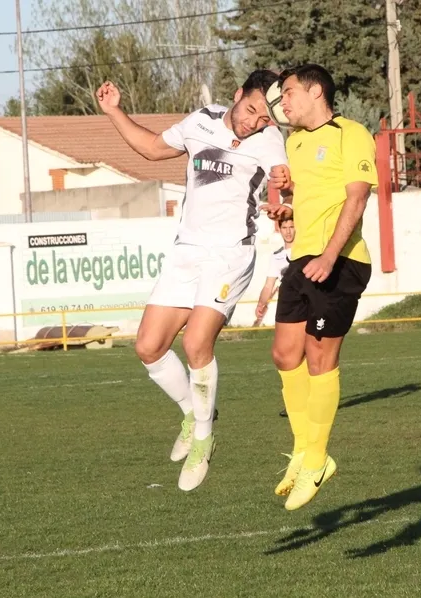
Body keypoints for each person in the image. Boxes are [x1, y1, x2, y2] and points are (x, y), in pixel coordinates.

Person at [96, 70, 288, 492]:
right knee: (148, 347)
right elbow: (150, 148)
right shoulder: (200, 120)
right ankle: (193, 412)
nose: (254, 121)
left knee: (196, 344)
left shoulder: (270, 139)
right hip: (187, 251)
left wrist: (284, 198)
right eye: (251, 109)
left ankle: (203, 438)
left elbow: (282, 179)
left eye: (262, 118)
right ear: (237, 95)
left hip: (229, 255)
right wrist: (114, 111)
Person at [260, 64, 376, 511]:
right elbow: (300, 204)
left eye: (288, 93)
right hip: (301, 260)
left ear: (315, 92)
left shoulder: (351, 133)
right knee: (284, 354)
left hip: (341, 260)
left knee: (319, 358)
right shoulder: (296, 142)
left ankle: (316, 457)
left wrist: (330, 254)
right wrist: (286, 214)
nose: (282, 102)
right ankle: (306, 450)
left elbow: (357, 196)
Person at [253, 214, 296, 418]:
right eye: (285, 227)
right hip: (287, 311)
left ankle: (310, 400)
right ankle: (292, 403)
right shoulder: (277, 256)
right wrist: (262, 303)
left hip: (309, 308)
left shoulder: (307, 251)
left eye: (292, 226)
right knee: (285, 356)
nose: (288, 230)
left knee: (309, 355)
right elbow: (269, 285)